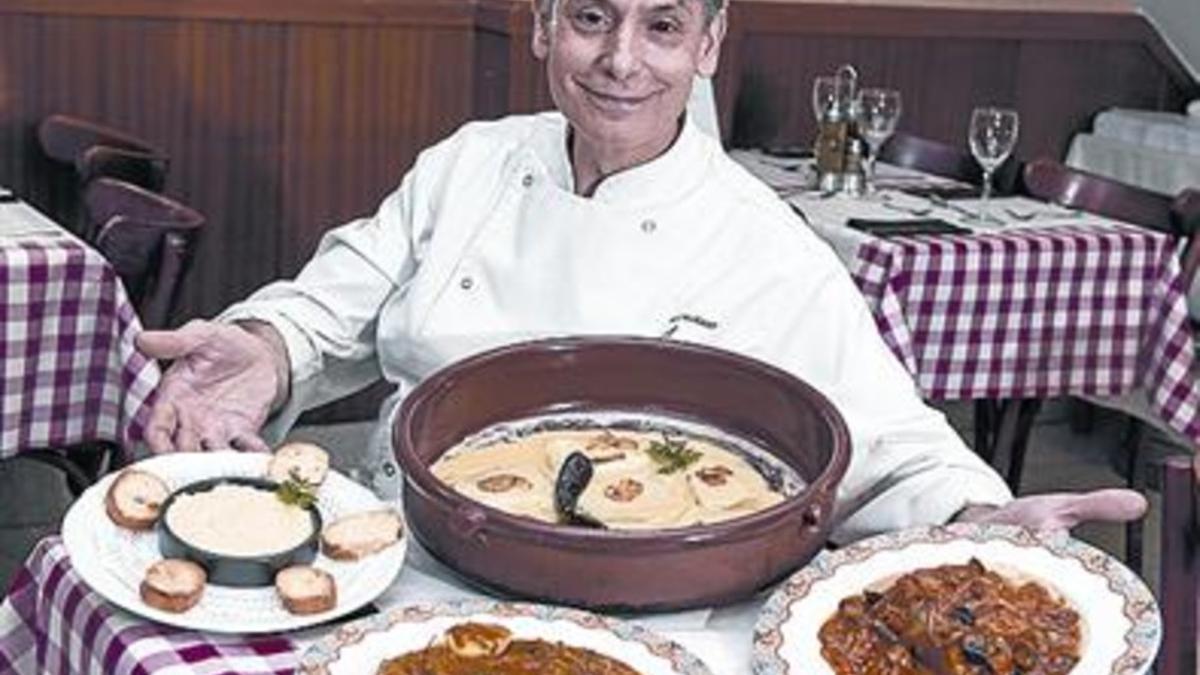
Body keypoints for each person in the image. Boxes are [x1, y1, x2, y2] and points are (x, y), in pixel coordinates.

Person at [137, 0, 1145, 542]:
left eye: (662, 26)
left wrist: (982, 517)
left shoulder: (761, 238)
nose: (622, 60)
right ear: (540, 25)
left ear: (707, 45)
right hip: (404, 543)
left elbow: (890, 443)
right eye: (589, 16)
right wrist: (268, 347)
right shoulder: (473, 161)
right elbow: (337, 298)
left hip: (638, 584)